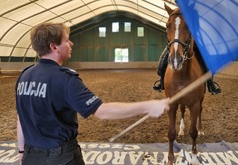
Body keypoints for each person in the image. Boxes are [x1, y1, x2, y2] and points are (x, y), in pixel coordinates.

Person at [16, 22, 169, 165]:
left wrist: (22, 150)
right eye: (67, 40)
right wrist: (147, 106)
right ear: (54, 47)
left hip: (30, 157)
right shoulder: (65, 79)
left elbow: (21, 117)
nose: (71, 44)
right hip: (61, 158)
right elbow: (102, 112)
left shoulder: (24, 76)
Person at [153, 44, 221, 95]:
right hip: (178, 41)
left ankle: (211, 84)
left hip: (193, 43)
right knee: (163, 58)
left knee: (206, 60)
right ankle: (161, 82)